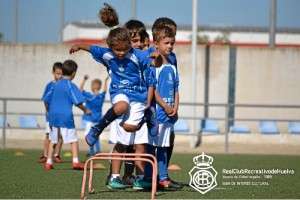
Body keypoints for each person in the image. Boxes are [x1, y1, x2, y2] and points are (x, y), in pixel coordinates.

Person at [69, 27, 162, 146]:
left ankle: (148, 115)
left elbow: (156, 64)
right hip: (119, 91)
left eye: (125, 49)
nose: (122, 52)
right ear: (111, 46)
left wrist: (158, 57)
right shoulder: (106, 54)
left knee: (129, 127)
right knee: (121, 106)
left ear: (129, 45)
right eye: (118, 50)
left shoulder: (137, 55)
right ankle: (98, 129)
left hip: (138, 95)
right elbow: (92, 48)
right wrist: (79, 46)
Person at [144, 25, 182, 189]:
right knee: (152, 147)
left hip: (168, 114)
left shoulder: (172, 60)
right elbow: (152, 89)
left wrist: (175, 108)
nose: (170, 46)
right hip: (156, 113)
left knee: (164, 146)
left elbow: (176, 88)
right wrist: (165, 106)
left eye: (172, 43)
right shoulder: (152, 59)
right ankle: (148, 177)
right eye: (166, 43)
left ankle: (163, 178)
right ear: (156, 43)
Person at [44, 60, 91, 170]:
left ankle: (49, 162)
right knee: (73, 139)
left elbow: (46, 100)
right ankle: (75, 161)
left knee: (53, 139)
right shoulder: (71, 85)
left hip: (53, 116)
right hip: (65, 116)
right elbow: (77, 101)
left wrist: (49, 111)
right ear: (74, 73)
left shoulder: (55, 85)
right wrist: (85, 110)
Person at [39, 62, 63, 163]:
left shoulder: (64, 85)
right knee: (49, 135)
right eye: (58, 73)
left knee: (60, 136)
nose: (60, 76)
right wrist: (49, 112)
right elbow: (45, 100)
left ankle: (56, 155)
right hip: (51, 117)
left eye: (62, 74)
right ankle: (45, 155)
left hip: (61, 116)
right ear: (53, 73)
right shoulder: (49, 85)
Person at [79, 74, 109, 157]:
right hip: (98, 119)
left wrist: (84, 80)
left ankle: (91, 152)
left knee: (90, 136)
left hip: (89, 119)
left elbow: (80, 90)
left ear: (92, 86)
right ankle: (98, 151)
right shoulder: (101, 97)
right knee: (96, 135)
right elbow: (105, 91)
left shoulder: (90, 96)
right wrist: (105, 81)